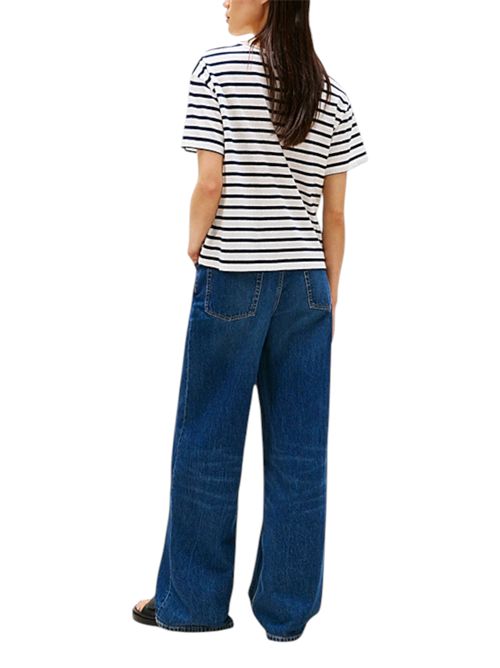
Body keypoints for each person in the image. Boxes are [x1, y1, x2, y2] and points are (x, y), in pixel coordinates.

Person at [132, 0, 368, 642]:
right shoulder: (329, 89)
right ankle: (287, 614)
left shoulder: (217, 69)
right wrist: (328, 296)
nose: (223, 1)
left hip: (234, 272)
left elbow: (210, 183)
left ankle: (192, 604)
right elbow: (335, 215)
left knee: (207, 439)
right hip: (307, 282)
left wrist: (194, 239)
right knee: (300, 452)